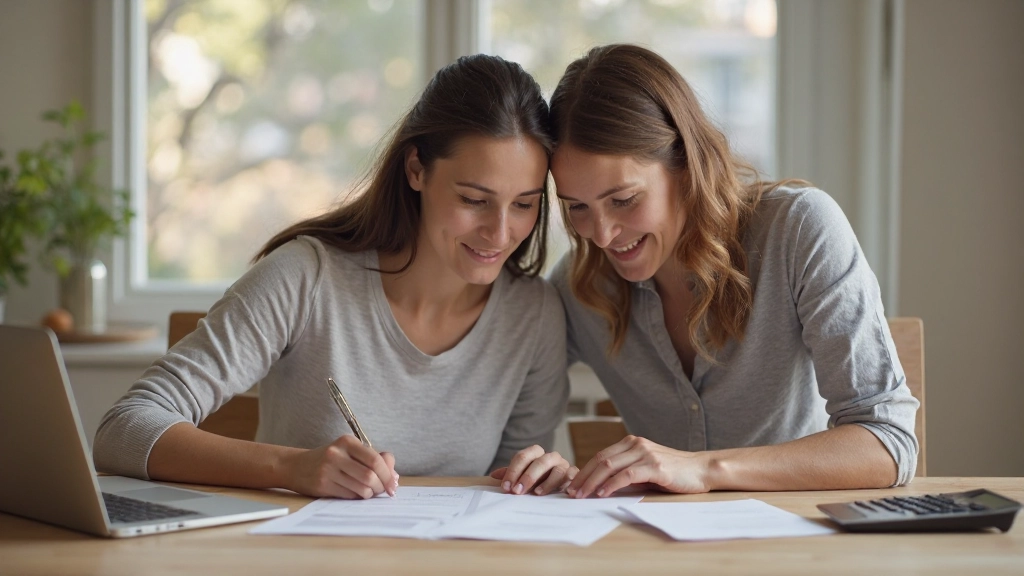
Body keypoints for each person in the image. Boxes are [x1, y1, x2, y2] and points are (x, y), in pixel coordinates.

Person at [94, 54, 575, 500]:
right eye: (474, 199)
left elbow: (508, 495)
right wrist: (292, 469)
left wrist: (538, 479)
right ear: (416, 169)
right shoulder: (305, 278)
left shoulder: (532, 316)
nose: (500, 231)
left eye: (525, 204)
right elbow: (123, 430)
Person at [547, 44, 919, 499]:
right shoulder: (578, 284)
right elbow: (502, 377)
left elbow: (888, 443)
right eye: (578, 208)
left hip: (796, 542)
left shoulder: (798, 230)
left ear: (685, 165)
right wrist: (534, 462)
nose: (601, 235)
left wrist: (706, 469)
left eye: (623, 200)